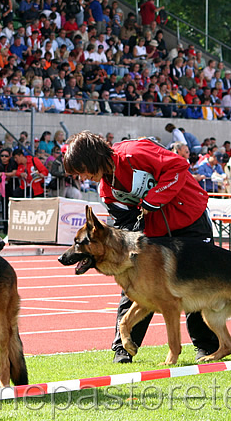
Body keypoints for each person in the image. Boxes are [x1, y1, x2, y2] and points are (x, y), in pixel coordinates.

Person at [63, 131, 219, 363]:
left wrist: (153, 199)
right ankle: (123, 347)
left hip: (190, 218)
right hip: (154, 232)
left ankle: (207, 346)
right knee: (134, 281)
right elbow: (125, 223)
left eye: (82, 170)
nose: (83, 177)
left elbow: (178, 166)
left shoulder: (133, 153)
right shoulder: (107, 192)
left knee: (195, 283)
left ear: (92, 157)